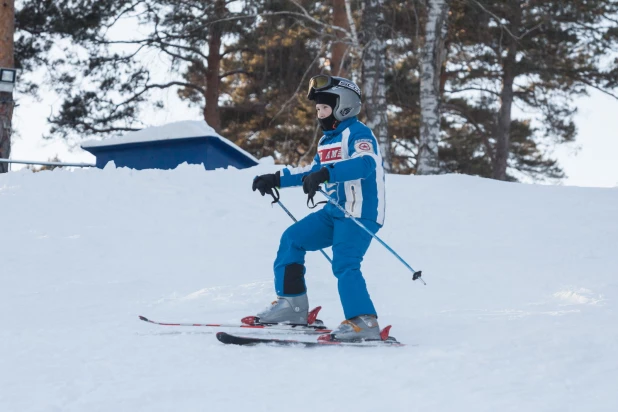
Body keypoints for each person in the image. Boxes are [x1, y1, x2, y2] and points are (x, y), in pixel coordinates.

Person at [251, 75, 386, 341]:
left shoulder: (359, 134)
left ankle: (364, 321)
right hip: (334, 212)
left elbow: (365, 165)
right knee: (293, 239)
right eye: (318, 109)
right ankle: (292, 306)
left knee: (345, 263)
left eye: (324, 107)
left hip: (359, 213)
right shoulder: (326, 141)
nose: (319, 113)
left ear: (343, 106)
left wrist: (327, 174)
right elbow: (311, 172)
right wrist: (276, 179)